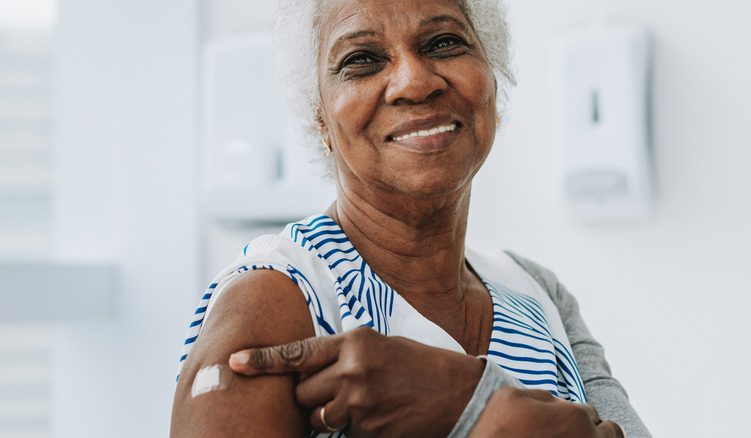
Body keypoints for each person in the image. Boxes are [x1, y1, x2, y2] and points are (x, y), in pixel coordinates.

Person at [170, 0, 651, 437]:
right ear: (321, 118)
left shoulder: (538, 294)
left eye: (444, 43)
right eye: (361, 59)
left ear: (492, 79)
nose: (415, 82)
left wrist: (464, 396)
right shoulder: (277, 297)